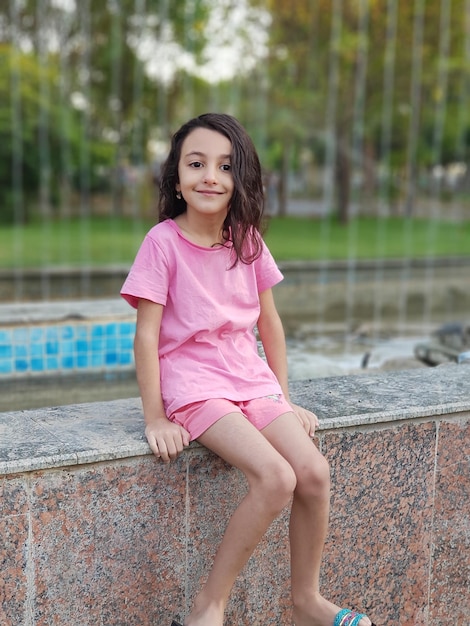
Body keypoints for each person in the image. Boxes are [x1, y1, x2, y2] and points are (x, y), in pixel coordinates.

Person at [121, 113, 375, 626]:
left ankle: (305, 602)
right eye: (197, 164)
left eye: (225, 166)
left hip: (249, 380)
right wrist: (155, 418)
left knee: (313, 473)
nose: (210, 176)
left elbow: (270, 324)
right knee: (275, 477)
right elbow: (146, 336)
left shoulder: (247, 240)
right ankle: (208, 606)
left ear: (242, 179)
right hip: (196, 386)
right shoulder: (162, 243)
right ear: (176, 178)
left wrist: (282, 396)